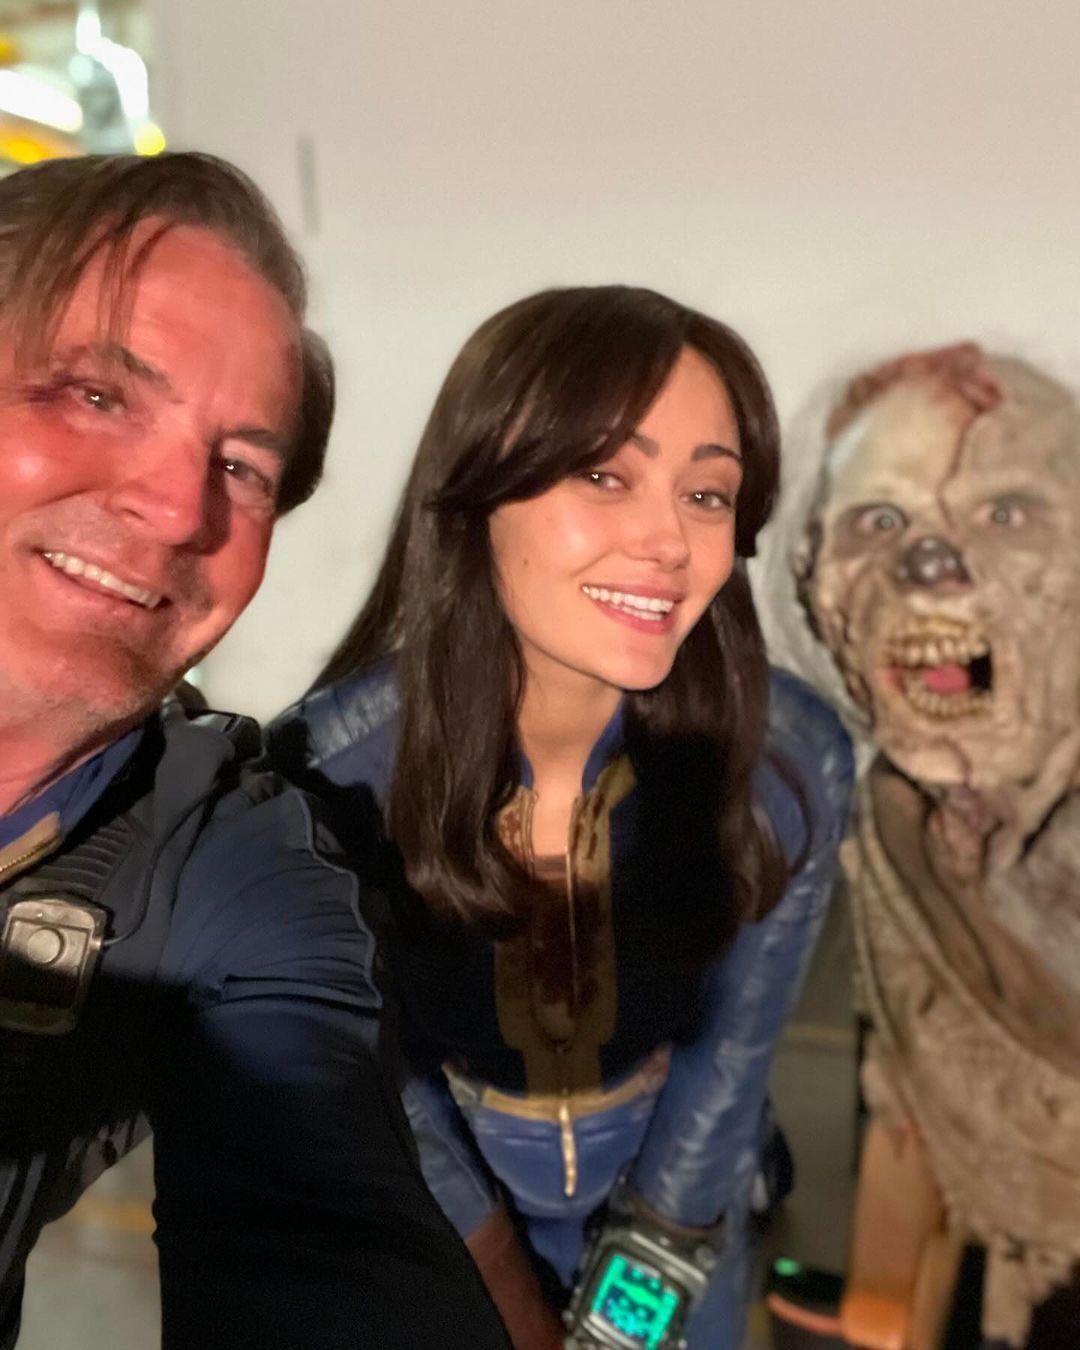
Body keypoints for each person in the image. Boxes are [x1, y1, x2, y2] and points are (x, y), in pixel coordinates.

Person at [270, 285, 854, 1348]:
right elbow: (377, 1079)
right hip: (440, 1197)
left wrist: (652, 1271)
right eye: (604, 475)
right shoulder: (323, 774)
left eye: (707, 494)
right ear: (477, 489)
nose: (668, 541)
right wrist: (503, 1285)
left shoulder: (790, 758)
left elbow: (732, 1059)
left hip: (681, 1182)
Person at [0, 152, 508, 1349]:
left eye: (242, 467)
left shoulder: (226, 861)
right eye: (95, 394)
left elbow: (328, 1218)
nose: (182, 509)